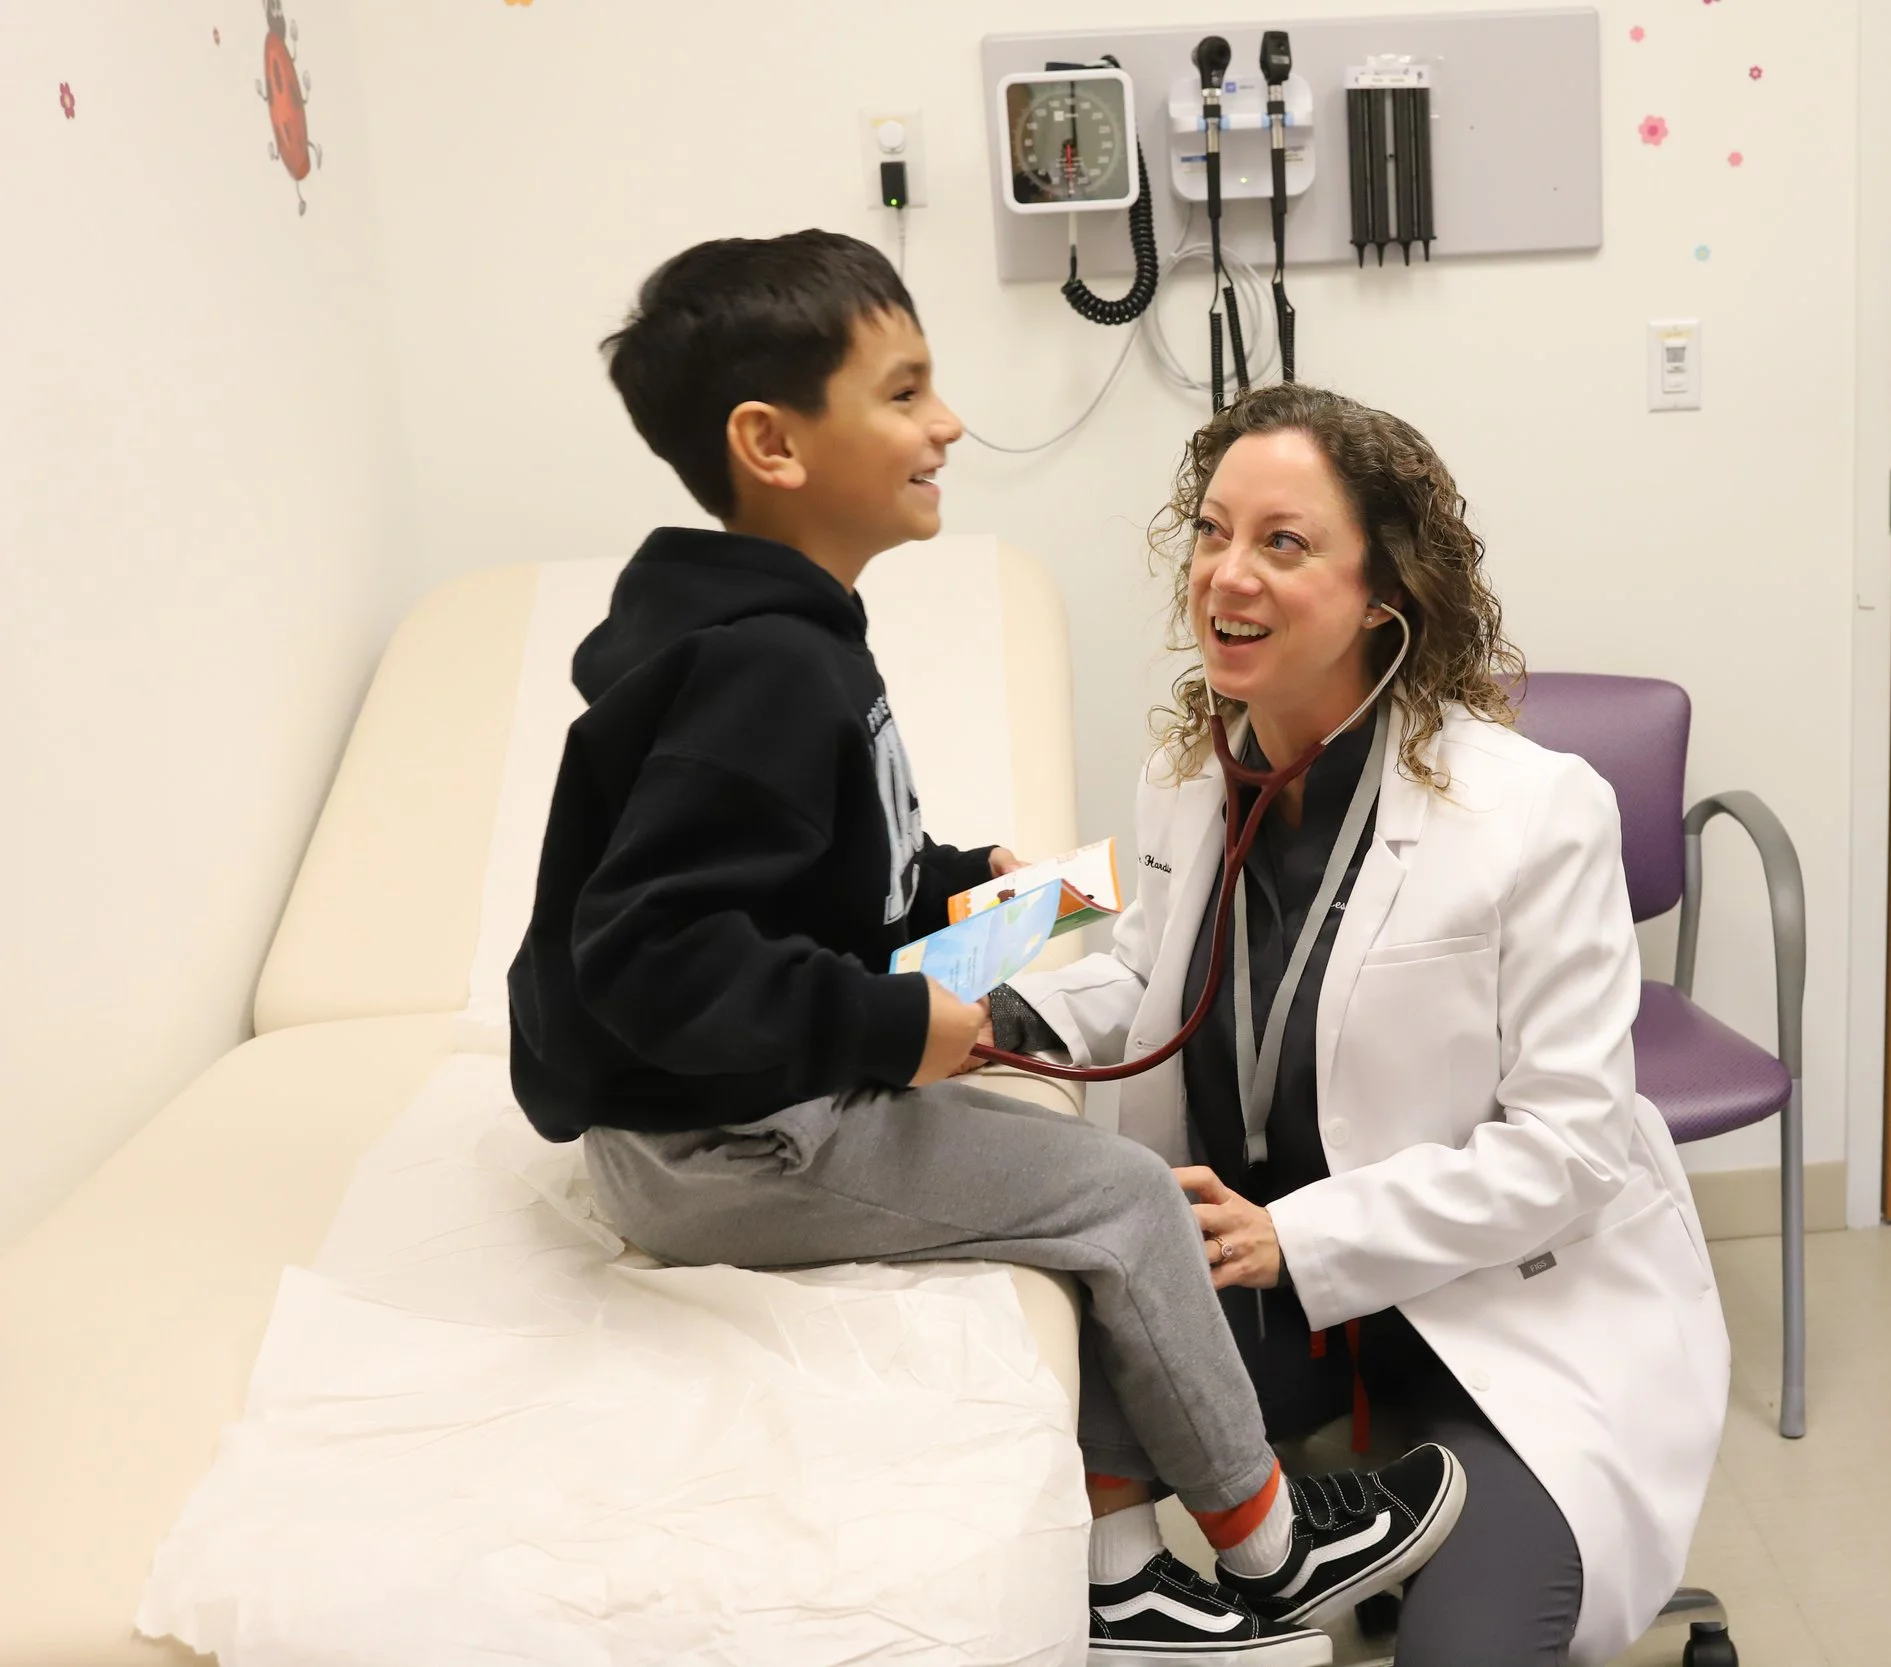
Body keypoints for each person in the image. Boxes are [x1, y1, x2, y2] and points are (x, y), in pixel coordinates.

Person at [506, 231, 1466, 1665]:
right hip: (724, 1140)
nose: (947, 421)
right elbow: (650, 952)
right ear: (771, 443)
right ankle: (1273, 1547)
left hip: (711, 1110)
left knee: (1068, 921)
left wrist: (979, 888)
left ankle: (1129, 1573)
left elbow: (803, 870)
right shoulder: (768, 664)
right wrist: (898, 1027)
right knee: (1125, 1197)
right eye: (902, 393)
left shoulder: (775, 627)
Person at [993, 383, 1730, 1667]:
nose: (1228, 572)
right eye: (1214, 531)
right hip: (1262, 1300)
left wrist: (1294, 1232)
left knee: (1465, 1649)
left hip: (1498, 1308)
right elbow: (1138, 967)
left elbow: (1567, 1151)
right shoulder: (1188, 775)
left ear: (1384, 592)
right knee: (1030, 1538)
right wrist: (982, 1005)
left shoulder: (1537, 811)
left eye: (1284, 541)